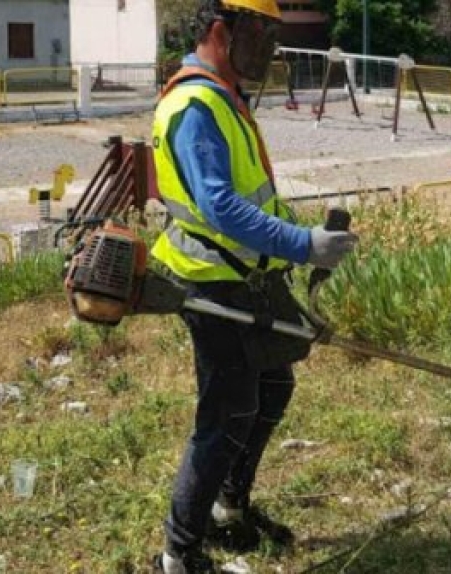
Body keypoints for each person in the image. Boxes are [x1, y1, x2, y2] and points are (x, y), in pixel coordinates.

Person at [148, 0, 359, 571]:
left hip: (244, 277)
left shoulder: (224, 95)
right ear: (223, 29)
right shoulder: (195, 104)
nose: (272, 46)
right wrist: (301, 244)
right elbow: (218, 205)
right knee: (226, 413)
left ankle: (228, 508)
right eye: (263, 32)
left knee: (272, 387)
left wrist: (294, 240)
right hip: (209, 281)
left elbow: (247, 196)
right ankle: (180, 551)